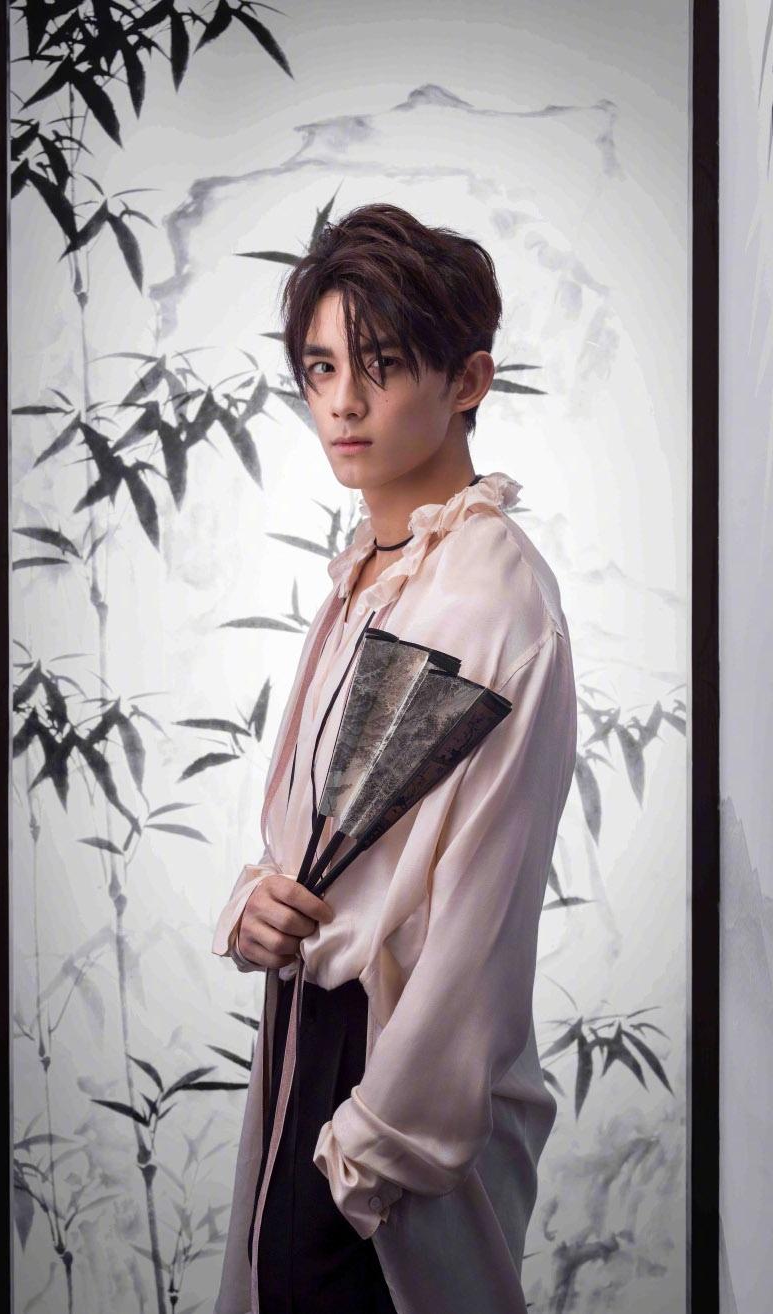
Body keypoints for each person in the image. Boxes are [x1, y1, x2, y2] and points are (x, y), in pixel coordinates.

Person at [211, 202, 577, 1314]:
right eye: (320, 368)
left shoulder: (488, 593)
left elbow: (481, 920)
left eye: (379, 365)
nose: (342, 402)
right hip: (304, 1045)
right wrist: (255, 904)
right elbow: (318, 833)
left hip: (387, 1085)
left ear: (468, 380)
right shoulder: (368, 573)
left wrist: (372, 1148)